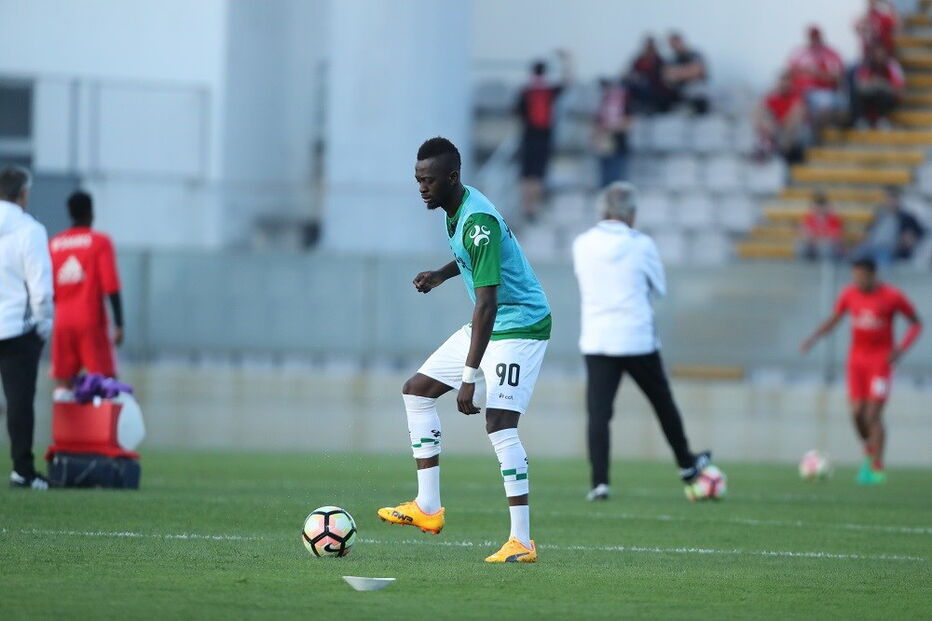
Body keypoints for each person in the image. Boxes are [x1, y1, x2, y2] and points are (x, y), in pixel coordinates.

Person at [377, 137, 551, 563]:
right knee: (417, 391)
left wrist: (470, 379)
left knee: (499, 424)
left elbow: (487, 304)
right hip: (493, 320)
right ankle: (428, 508)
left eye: (429, 181)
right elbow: (474, 259)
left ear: (452, 177)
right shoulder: (455, 208)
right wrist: (439, 275)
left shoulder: (477, 220)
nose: (422, 188)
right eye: (418, 180)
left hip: (520, 326)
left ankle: (522, 542)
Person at [571, 182, 713, 502]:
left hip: (597, 336)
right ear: (631, 214)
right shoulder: (642, 244)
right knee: (662, 403)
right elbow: (658, 288)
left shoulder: (582, 243)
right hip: (636, 336)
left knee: (599, 413)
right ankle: (687, 465)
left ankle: (599, 483)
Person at [801, 258, 921, 485]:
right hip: (856, 361)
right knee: (856, 414)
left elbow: (916, 323)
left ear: (873, 275)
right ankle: (869, 450)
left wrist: (901, 349)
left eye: (861, 276)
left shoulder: (892, 296)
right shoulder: (849, 294)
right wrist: (813, 339)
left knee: (873, 414)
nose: (857, 280)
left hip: (881, 362)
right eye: (854, 276)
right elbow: (835, 319)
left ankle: (877, 466)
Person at [0, 166, 53, 490]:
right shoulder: (29, 229)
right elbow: (41, 287)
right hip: (17, 329)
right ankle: (22, 469)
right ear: (23, 194)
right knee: (19, 401)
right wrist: (44, 323)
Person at [48, 191, 124, 398]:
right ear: (91, 213)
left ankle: (65, 429)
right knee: (106, 382)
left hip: (62, 321)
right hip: (90, 321)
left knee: (63, 383)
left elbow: (48, 289)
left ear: (70, 213)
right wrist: (119, 324)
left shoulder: (54, 244)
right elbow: (111, 285)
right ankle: (101, 429)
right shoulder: (100, 242)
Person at [515, 50, 572, 222]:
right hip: (545, 136)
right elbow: (567, 82)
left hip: (528, 135)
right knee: (538, 174)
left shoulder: (525, 91)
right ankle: (535, 207)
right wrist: (567, 61)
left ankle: (527, 207)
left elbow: (517, 113)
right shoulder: (548, 91)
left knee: (526, 174)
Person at [787, 26, 846, 133]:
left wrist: (816, 73)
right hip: (798, 93)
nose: (814, 40)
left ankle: (817, 135)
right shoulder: (798, 54)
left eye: (816, 37)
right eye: (812, 37)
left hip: (822, 92)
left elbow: (837, 76)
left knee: (825, 103)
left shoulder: (830, 54)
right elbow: (789, 74)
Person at [858, 187, 925, 265]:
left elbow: (920, 232)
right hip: (871, 247)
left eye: (893, 199)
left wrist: (911, 238)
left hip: (890, 249)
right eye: (888, 199)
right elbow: (869, 231)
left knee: (881, 262)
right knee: (857, 259)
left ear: (898, 200)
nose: (890, 201)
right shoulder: (880, 214)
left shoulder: (906, 217)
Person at [755, 72, 807, 163]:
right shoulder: (771, 97)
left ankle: (779, 149)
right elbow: (760, 113)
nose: (784, 84)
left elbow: (798, 115)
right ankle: (768, 147)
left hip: (791, 133)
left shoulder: (796, 97)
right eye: (782, 81)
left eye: (786, 81)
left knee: (797, 115)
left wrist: (781, 123)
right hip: (775, 130)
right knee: (759, 112)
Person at [852, 44, 905, 129]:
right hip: (870, 95)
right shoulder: (867, 65)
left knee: (881, 93)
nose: (879, 55)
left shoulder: (891, 65)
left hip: (887, 96)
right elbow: (861, 83)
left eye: (881, 53)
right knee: (858, 93)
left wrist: (882, 83)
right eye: (877, 53)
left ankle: (882, 119)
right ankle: (862, 120)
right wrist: (873, 83)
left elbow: (898, 86)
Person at [593, 78, 633, 188]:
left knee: (617, 181)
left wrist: (610, 127)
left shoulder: (624, 102)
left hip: (618, 145)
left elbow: (628, 124)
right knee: (605, 181)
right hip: (605, 146)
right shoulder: (603, 102)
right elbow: (597, 123)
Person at [664, 32, 709, 114]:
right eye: (671, 44)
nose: (674, 46)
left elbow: (696, 71)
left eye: (675, 43)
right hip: (679, 93)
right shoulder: (672, 59)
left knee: (696, 90)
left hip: (697, 91)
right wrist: (687, 71)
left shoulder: (694, 54)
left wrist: (678, 73)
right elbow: (668, 76)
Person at [625, 36, 672, 114]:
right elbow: (631, 73)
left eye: (652, 46)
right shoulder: (639, 61)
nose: (650, 48)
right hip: (641, 89)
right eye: (648, 46)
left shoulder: (660, 60)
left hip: (657, 91)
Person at [799, 191, 844, 261]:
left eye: (820, 206)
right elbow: (805, 232)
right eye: (815, 206)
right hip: (813, 244)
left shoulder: (832, 218)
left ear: (826, 206)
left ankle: (825, 270)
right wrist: (809, 237)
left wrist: (821, 237)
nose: (818, 209)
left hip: (828, 246)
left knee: (824, 247)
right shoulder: (810, 217)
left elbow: (836, 236)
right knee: (801, 246)